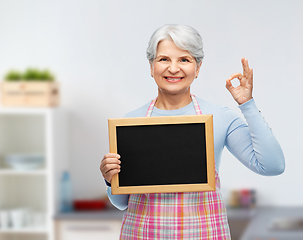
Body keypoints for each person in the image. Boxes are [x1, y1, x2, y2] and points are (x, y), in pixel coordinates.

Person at [100, 24, 285, 239]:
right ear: (151, 66)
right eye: (164, 59)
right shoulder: (131, 123)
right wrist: (109, 179)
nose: (173, 68)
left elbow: (272, 165)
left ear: (197, 68)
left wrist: (247, 104)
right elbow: (122, 203)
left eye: (184, 60)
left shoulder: (220, 117)